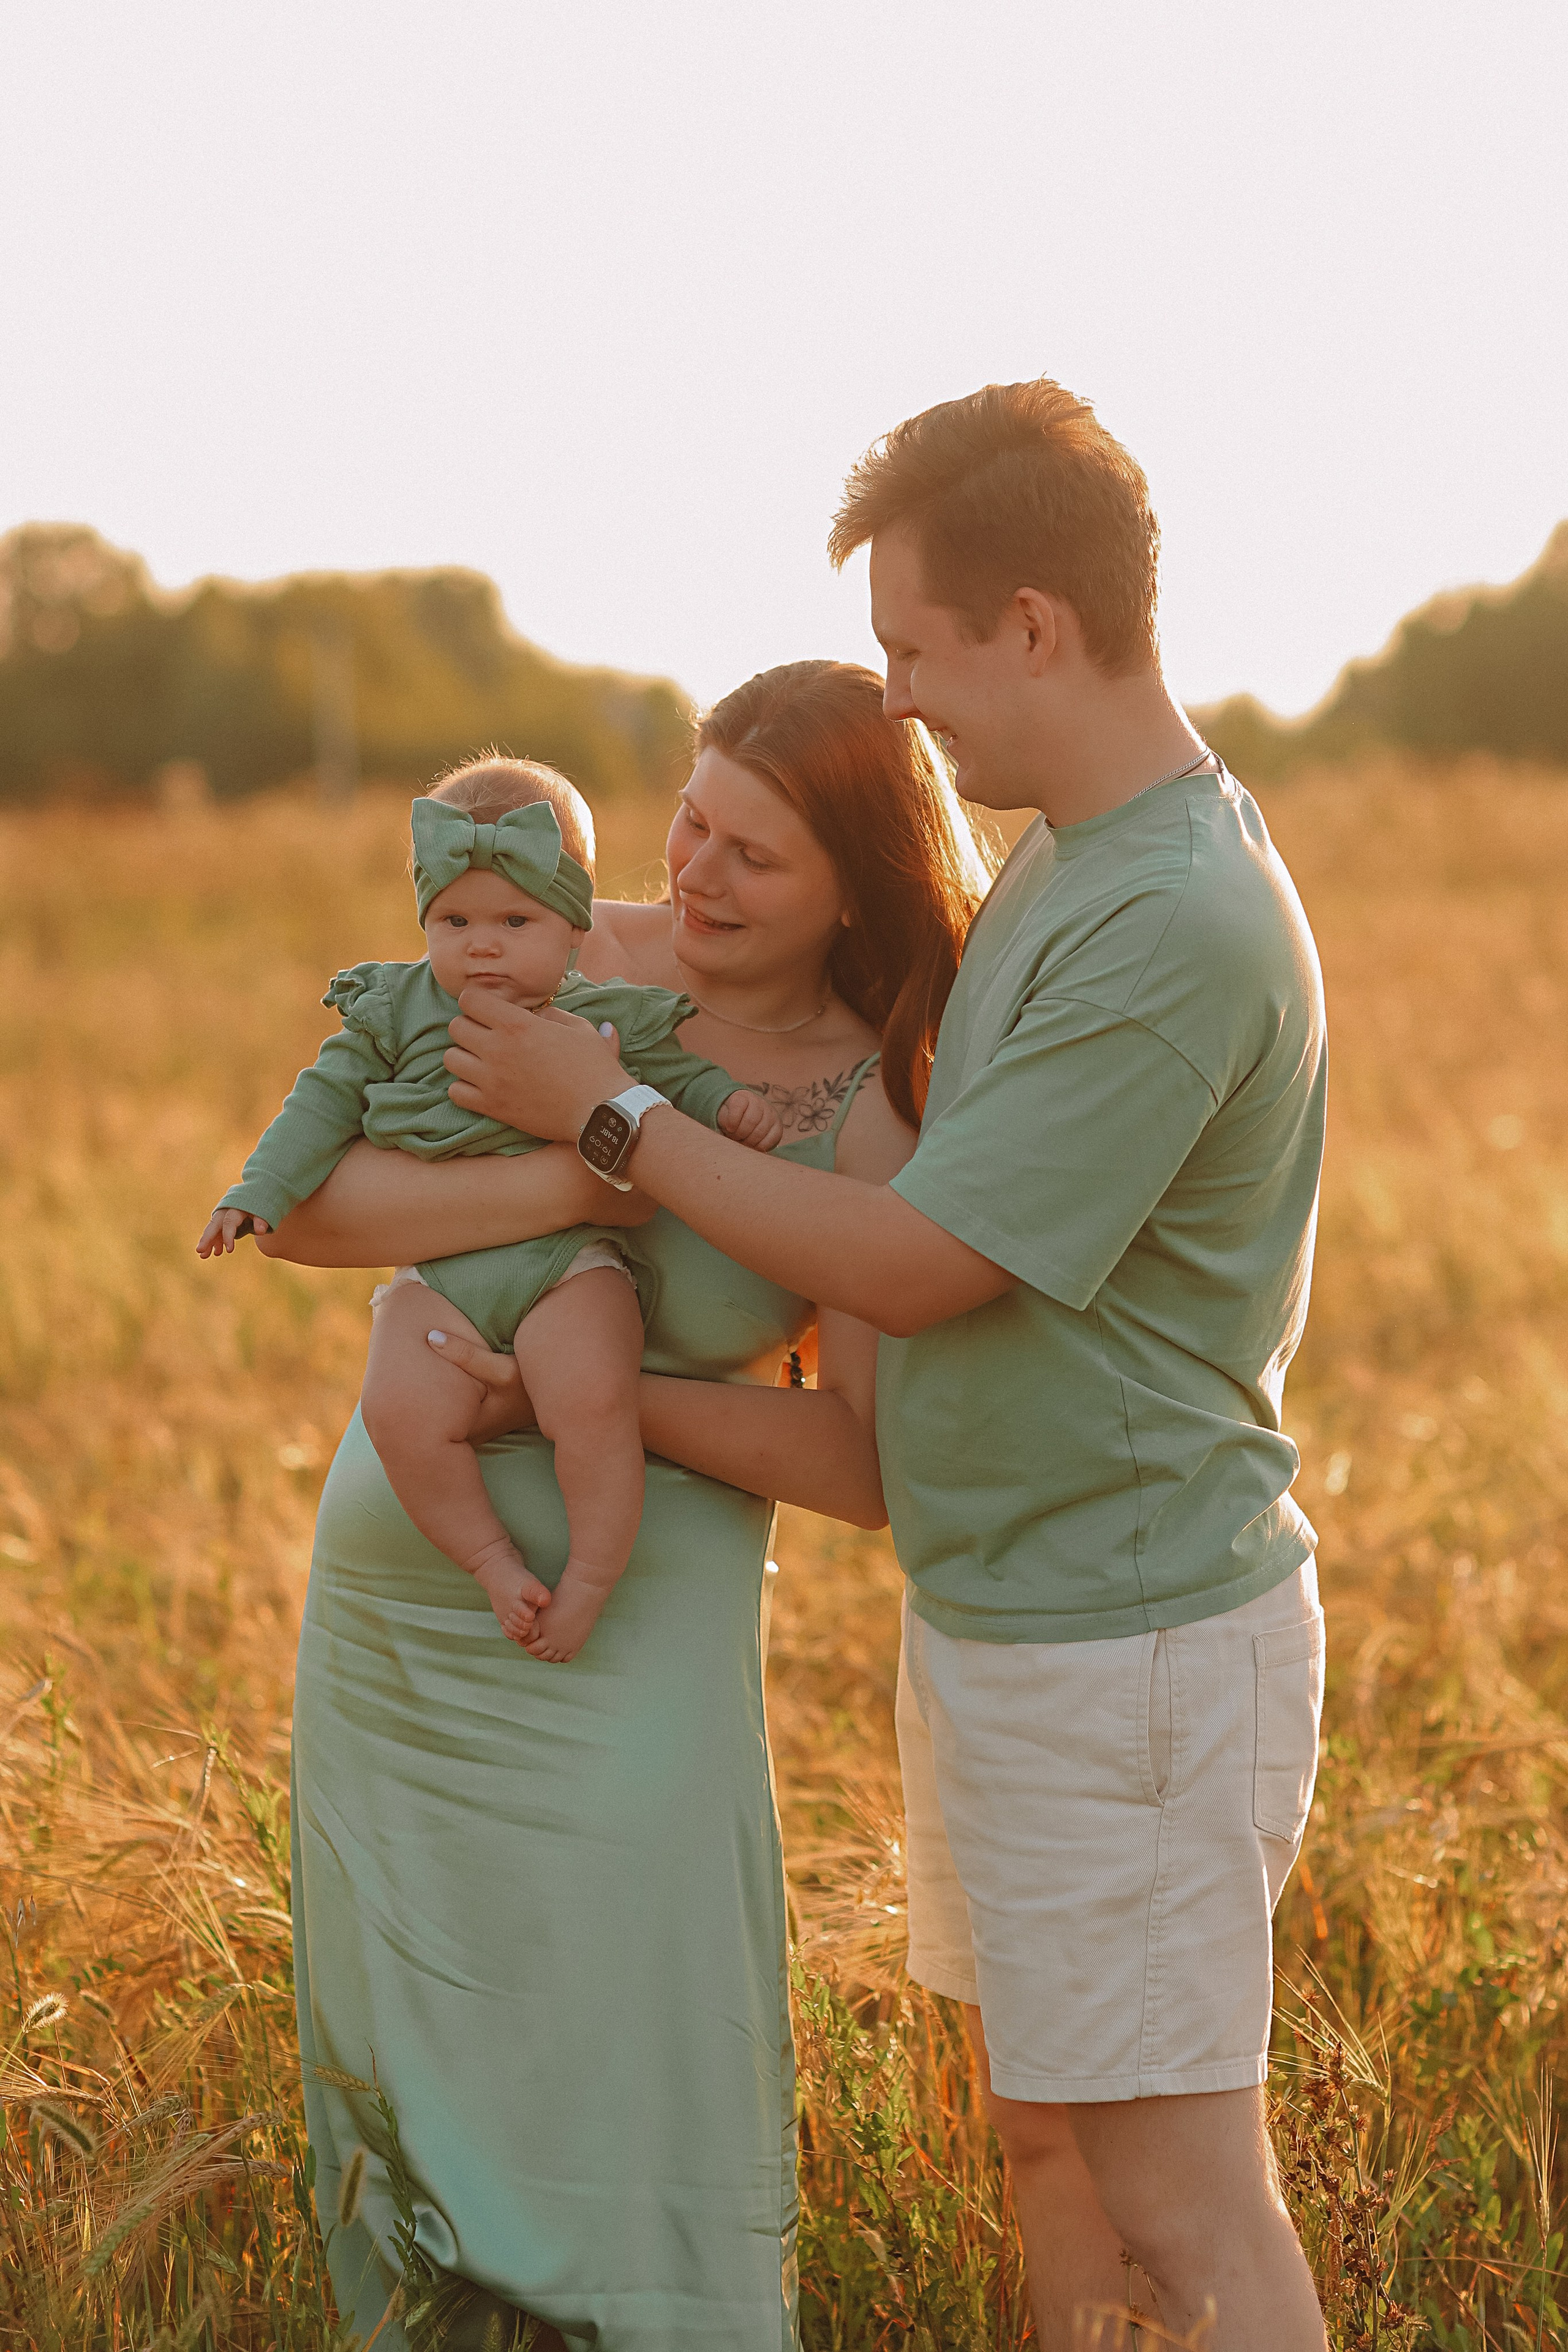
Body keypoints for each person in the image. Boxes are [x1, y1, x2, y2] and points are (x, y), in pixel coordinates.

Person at [445, 381, 1330, 2352]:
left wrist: (611, 1126)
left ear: (1036, 623)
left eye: (919, 650)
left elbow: (923, 1265)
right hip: (1020, 1623)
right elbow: (707, 950)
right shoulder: (1072, 861)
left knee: (1186, 2204)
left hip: (1138, 1650)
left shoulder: (1176, 913)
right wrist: (504, 939)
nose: (905, 705)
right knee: (1051, 2162)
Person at [259, 663, 992, 2350]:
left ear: (856, 889)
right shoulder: (560, 948)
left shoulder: (877, 1109)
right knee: (408, 2090)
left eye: (757, 857)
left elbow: (860, 1468)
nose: (700, 877)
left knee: (631, 2081)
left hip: (637, 1640)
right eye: (693, 823)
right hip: (404, 1617)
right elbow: (314, 1207)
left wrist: (581, 1393)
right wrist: (580, 1154)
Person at [199, 759, 781, 1664]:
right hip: (441, 1276)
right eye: (455, 921)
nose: (483, 946)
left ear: (571, 927)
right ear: (424, 921)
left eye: (516, 922)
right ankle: (492, 1562)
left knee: (591, 1399)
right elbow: (319, 1104)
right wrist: (255, 1192)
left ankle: (590, 1574)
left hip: (570, 1266)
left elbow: (675, 1082)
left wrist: (728, 1105)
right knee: (397, 1408)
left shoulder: (602, 1016)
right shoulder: (390, 1011)